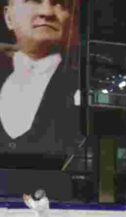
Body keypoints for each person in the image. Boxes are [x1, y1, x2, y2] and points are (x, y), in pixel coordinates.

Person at [0, 0, 80, 159]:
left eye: (60, 4)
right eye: (33, 1)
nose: (47, 12)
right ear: (8, 17)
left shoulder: (82, 84)